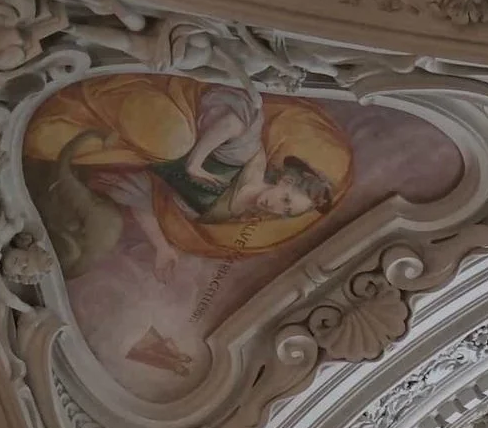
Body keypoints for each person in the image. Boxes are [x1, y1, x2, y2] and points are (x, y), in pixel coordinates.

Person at [25, 75, 349, 280]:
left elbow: (147, 198)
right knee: (173, 141)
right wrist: (195, 161)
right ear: (286, 182)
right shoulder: (250, 159)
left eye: (287, 212)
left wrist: (162, 247)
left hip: (123, 150)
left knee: (43, 144)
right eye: (287, 201)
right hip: (151, 113)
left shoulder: (215, 216)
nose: (279, 208)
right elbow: (233, 120)